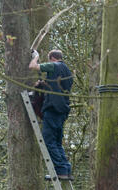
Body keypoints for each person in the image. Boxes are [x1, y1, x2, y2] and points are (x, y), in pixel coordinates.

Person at [29, 49, 73, 180]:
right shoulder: (67, 72)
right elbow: (55, 86)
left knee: (48, 140)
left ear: (52, 58)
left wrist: (36, 57)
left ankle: (60, 170)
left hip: (52, 108)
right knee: (57, 142)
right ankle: (65, 169)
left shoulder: (54, 65)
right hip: (63, 109)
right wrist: (41, 84)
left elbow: (33, 66)